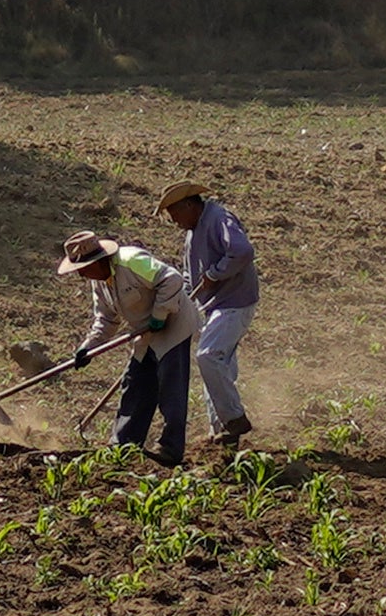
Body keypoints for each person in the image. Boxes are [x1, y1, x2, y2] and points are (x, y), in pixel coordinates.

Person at [57, 228, 193, 467]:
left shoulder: (131, 261)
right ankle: (124, 444)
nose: (81, 275)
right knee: (135, 382)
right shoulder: (99, 282)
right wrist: (89, 347)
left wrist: (160, 314)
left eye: (83, 269)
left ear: (97, 261)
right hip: (145, 331)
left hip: (174, 324)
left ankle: (170, 448)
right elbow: (106, 319)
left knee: (170, 385)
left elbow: (171, 279)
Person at [162, 180, 258, 445]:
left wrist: (215, 274)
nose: (174, 222)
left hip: (234, 302)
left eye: (175, 214)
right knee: (216, 370)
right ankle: (222, 433)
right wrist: (181, 303)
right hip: (212, 306)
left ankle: (234, 419)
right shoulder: (192, 233)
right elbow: (189, 275)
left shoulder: (218, 218)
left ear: (188, 205)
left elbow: (242, 251)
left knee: (208, 356)